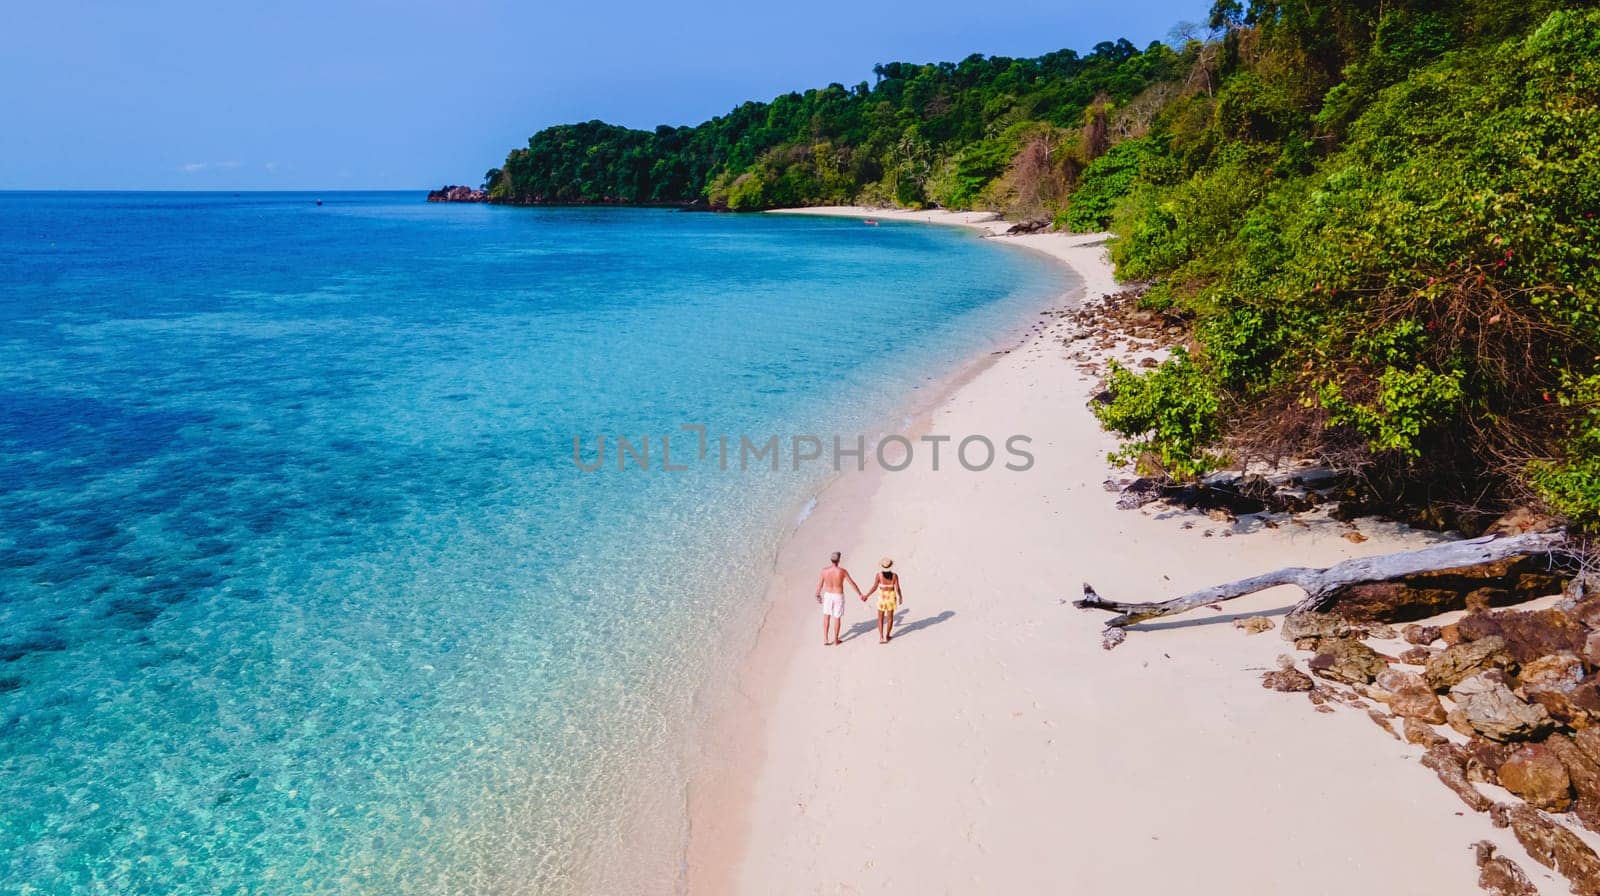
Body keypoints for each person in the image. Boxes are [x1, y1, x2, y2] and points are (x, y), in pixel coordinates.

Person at [814, 551, 862, 646]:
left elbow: (820, 584)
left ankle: (826, 639)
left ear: (831, 560)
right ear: (839, 560)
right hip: (838, 595)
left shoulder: (824, 571)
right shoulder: (842, 571)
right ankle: (836, 640)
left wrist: (817, 594)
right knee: (837, 617)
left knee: (826, 616)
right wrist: (860, 594)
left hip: (828, 595)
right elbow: (852, 583)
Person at [859, 557, 905, 644]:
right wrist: (900, 596)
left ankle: (881, 637)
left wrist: (867, 595)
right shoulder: (895, 576)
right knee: (890, 618)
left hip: (882, 598)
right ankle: (887, 636)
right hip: (891, 597)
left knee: (880, 618)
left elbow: (874, 587)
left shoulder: (879, 575)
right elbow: (898, 588)